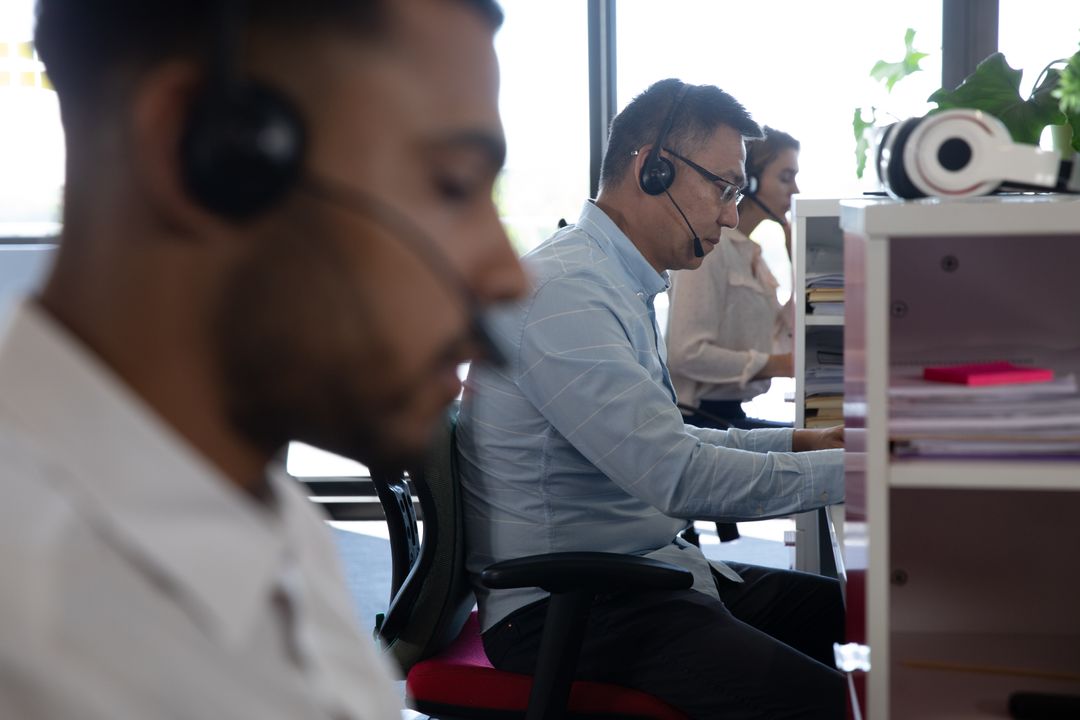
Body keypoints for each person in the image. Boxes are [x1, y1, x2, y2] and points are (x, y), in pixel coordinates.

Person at [0, 1, 525, 718]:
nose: (508, 275)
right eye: (454, 184)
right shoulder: (36, 647)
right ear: (209, 151)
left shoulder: (259, 514)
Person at [457, 78, 846, 719]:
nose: (729, 213)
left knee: (864, 620)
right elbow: (676, 475)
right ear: (653, 168)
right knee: (840, 705)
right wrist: (861, 472)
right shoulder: (563, 295)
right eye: (722, 187)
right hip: (576, 608)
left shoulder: (611, 282)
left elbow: (666, 436)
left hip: (648, 576)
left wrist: (801, 442)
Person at [667, 126, 801, 432]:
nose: (795, 190)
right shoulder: (712, 250)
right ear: (749, 182)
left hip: (729, 415)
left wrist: (799, 265)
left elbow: (785, 336)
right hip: (697, 420)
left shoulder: (750, 252)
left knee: (820, 440)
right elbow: (686, 354)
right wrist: (779, 366)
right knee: (817, 447)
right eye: (785, 177)